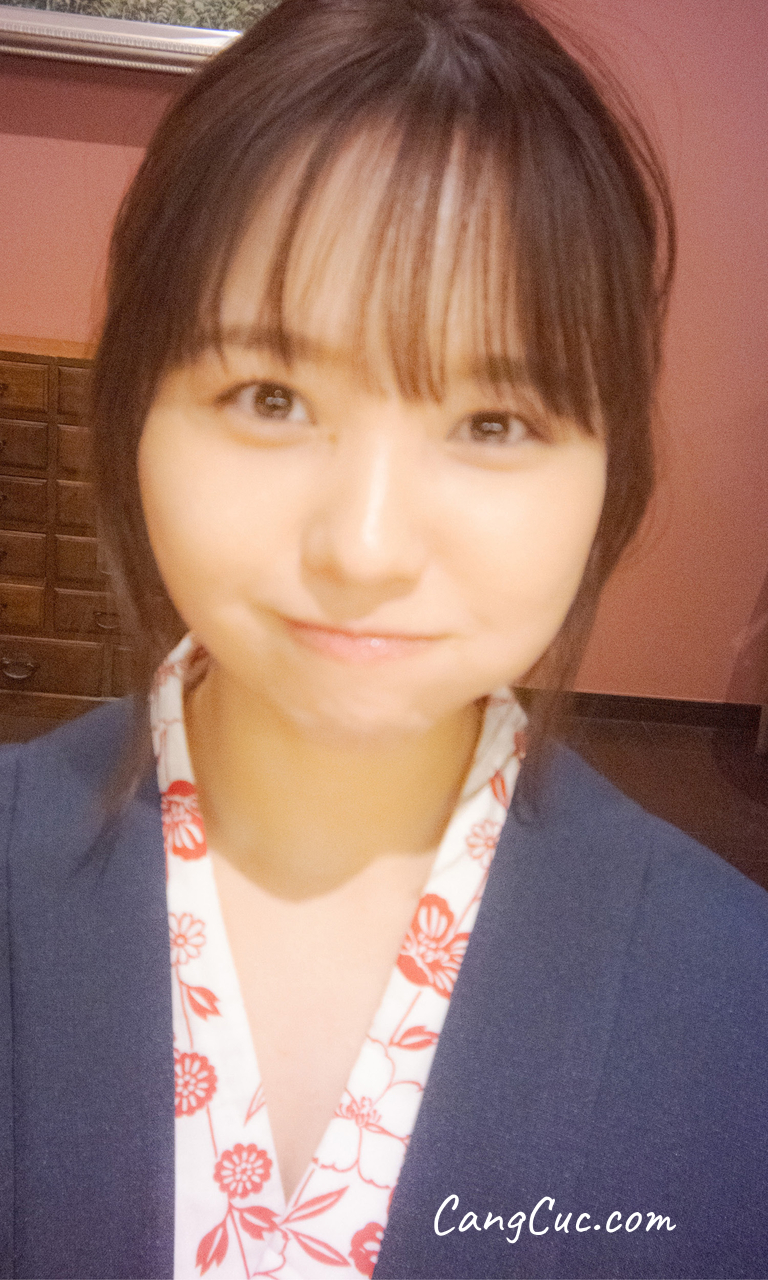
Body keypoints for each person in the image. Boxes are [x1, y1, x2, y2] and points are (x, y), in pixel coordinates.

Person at [1, 1, 767, 1277]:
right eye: (271, 396)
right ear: (135, 408)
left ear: (612, 468)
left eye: (493, 422)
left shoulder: (734, 996)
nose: (363, 547)